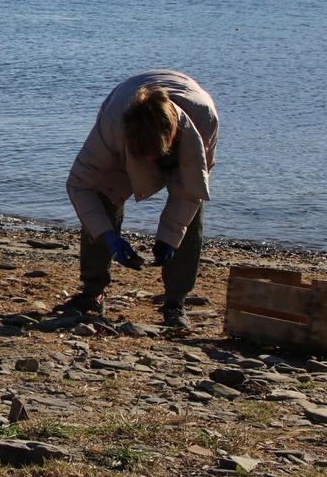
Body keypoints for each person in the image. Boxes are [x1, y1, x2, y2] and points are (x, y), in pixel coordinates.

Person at [64, 69, 219, 329]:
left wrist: (169, 238)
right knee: (103, 193)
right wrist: (107, 236)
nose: (149, 162)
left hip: (189, 128)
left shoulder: (205, 120)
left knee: (192, 203)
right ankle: (92, 292)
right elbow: (79, 184)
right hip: (122, 108)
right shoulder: (112, 124)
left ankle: (175, 302)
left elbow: (189, 193)